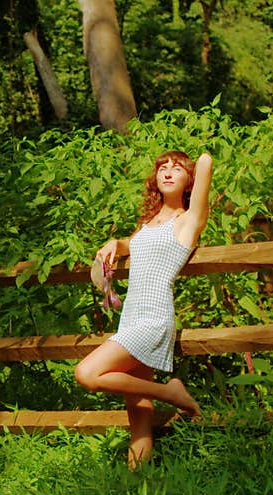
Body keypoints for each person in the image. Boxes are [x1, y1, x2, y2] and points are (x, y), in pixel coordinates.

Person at [74, 150, 213, 469]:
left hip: (152, 318)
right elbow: (135, 244)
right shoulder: (149, 223)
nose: (167, 172)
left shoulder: (189, 221)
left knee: (87, 373)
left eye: (177, 169)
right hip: (131, 318)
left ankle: (173, 393)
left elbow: (205, 165)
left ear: (188, 180)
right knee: (138, 415)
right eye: (162, 167)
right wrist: (116, 244)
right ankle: (136, 482)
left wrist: (199, 162)